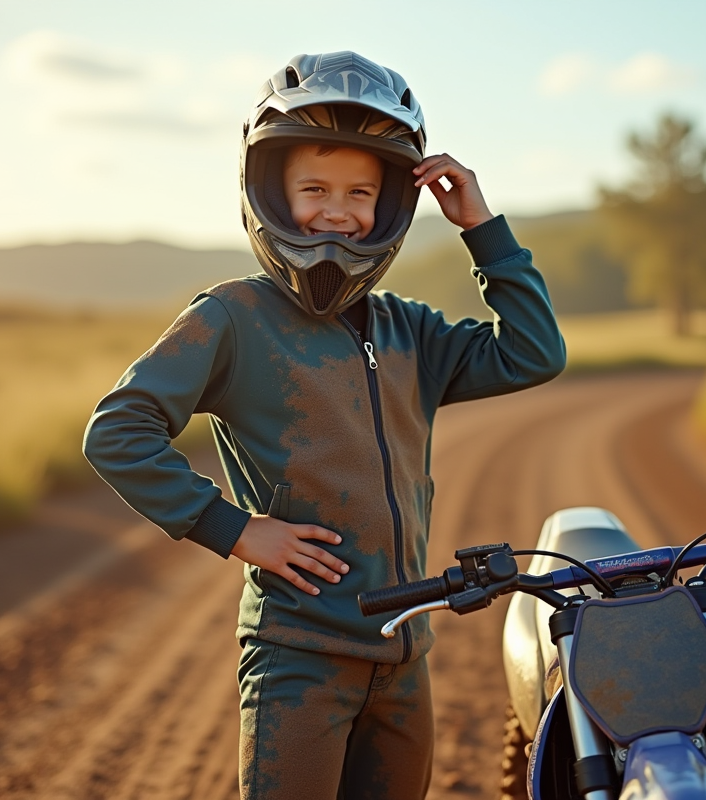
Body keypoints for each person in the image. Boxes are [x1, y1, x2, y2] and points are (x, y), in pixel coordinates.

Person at [82, 51, 566, 799]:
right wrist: (235, 530)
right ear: (270, 193)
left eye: (360, 193)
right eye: (314, 189)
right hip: (298, 659)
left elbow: (534, 353)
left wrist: (482, 227)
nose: (337, 211)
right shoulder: (233, 317)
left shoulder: (411, 331)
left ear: (393, 206)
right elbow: (118, 430)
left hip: (406, 658)